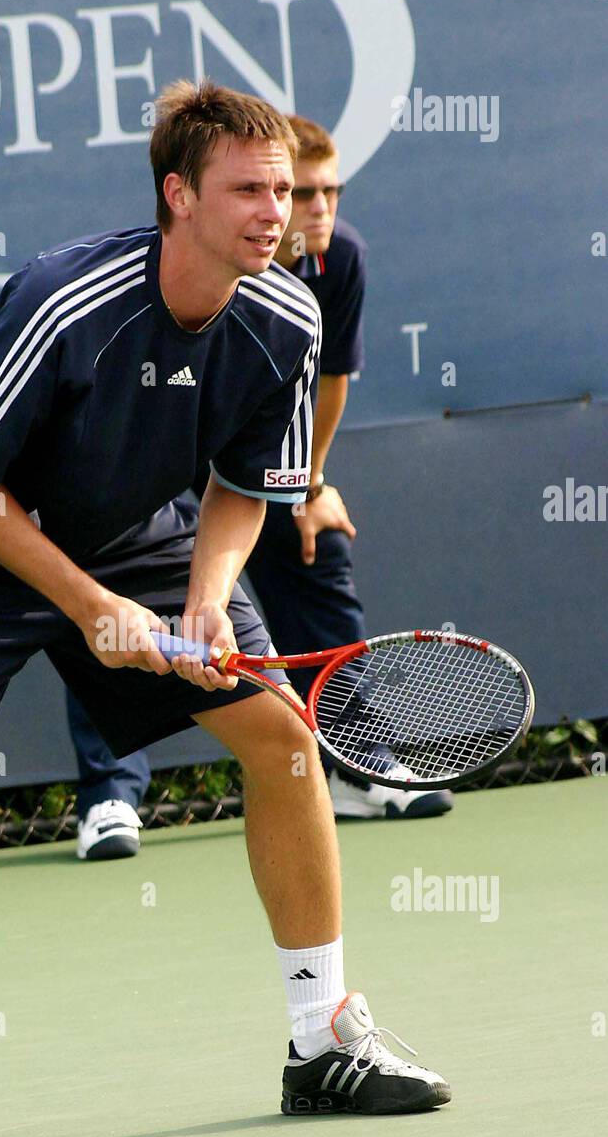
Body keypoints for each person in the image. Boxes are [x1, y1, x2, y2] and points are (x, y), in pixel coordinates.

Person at [0, 80, 450, 1137]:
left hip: (136, 526)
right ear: (177, 196)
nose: (278, 212)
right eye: (249, 191)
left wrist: (206, 597)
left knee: (285, 743)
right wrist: (88, 605)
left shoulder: (285, 316)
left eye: (289, 191)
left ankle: (322, 1037)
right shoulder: (67, 302)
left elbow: (246, 486)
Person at [70, 113, 452, 861]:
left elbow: (329, 382)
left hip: (246, 462)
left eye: (324, 193)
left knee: (317, 545)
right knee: (111, 583)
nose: (311, 211)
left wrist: (308, 485)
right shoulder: (178, 266)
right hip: (148, 465)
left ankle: (356, 762)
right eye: (294, 192)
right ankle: (109, 795)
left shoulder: (337, 260)